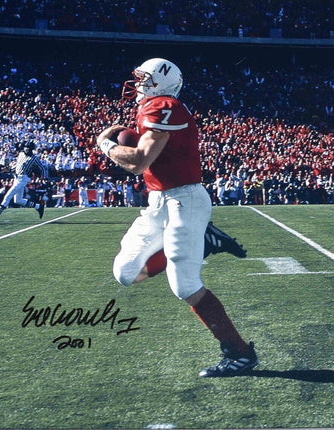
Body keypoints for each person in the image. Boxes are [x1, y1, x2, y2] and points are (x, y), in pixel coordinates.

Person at [97, 57, 257, 377]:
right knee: (126, 272)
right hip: (159, 202)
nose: (138, 83)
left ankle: (239, 353)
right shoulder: (152, 107)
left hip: (184, 200)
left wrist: (105, 144)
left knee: (185, 286)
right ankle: (207, 240)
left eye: (145, 78)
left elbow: (140, 161)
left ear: (161, 81)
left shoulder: (165, 104)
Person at [0, 140, 47, 223]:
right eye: (25, 147)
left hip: (23, 179)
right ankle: (38, 207)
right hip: (16, 178)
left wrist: (45, 177)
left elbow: (42, 168)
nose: (26, 149)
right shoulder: (21, 154)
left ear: (31, 149)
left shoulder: (34, 158)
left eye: (28, 148)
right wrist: (10, 169)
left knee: (8, 195)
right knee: (18, 200)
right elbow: (18, 165)